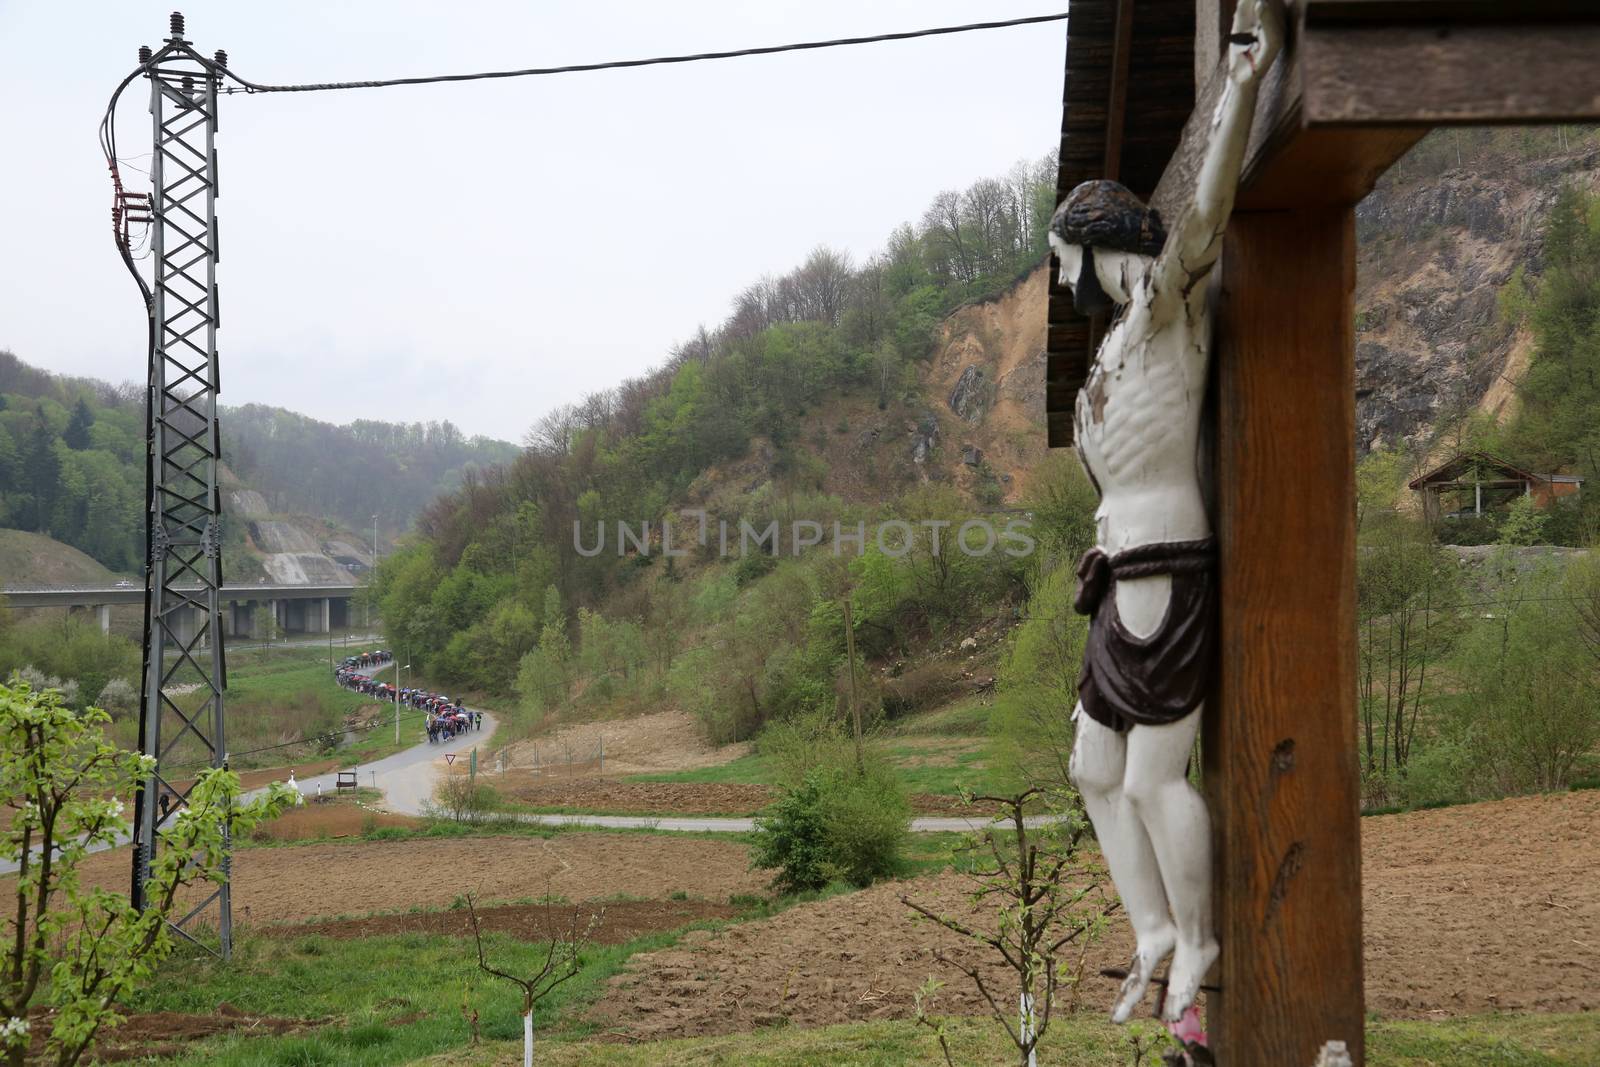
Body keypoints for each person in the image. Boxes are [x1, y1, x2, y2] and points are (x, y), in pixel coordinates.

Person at [1047, 0, 1281, 1025]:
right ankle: (1147, 924)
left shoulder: (1164, 310)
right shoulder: (1104, 355)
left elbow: (1206, 212)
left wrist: (1239, 85)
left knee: (1152, 779)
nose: (1059, 275)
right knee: (1091, 765)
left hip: (1167, 570)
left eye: (1063, 253)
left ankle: (1196, 937)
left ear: (1090, 244)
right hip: (1116, 578)